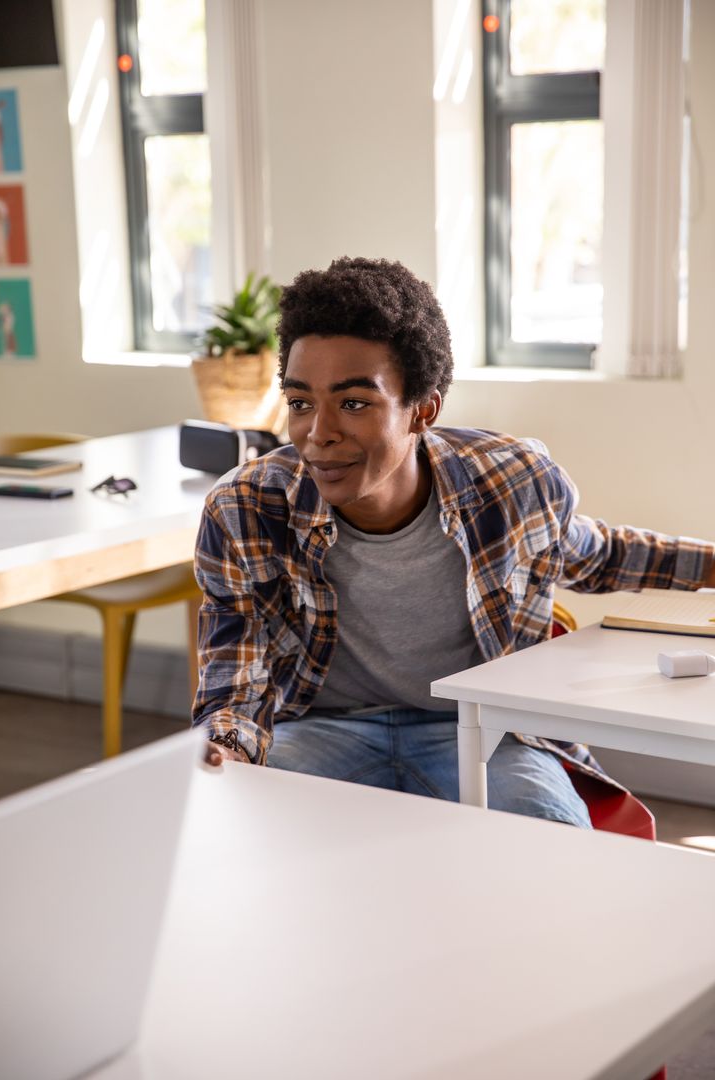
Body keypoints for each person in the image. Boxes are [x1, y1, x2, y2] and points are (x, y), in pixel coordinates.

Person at [192, 256, 715, 827]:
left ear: (424, 410)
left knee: (561, 854)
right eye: (299, 403)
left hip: (481, 729)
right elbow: (233, 674)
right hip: (318, 728)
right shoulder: (246, 507)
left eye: (354, 403)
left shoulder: (512, 481)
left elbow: (600, 555)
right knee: (234, 832)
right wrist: (228, 748)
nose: (318, 434)